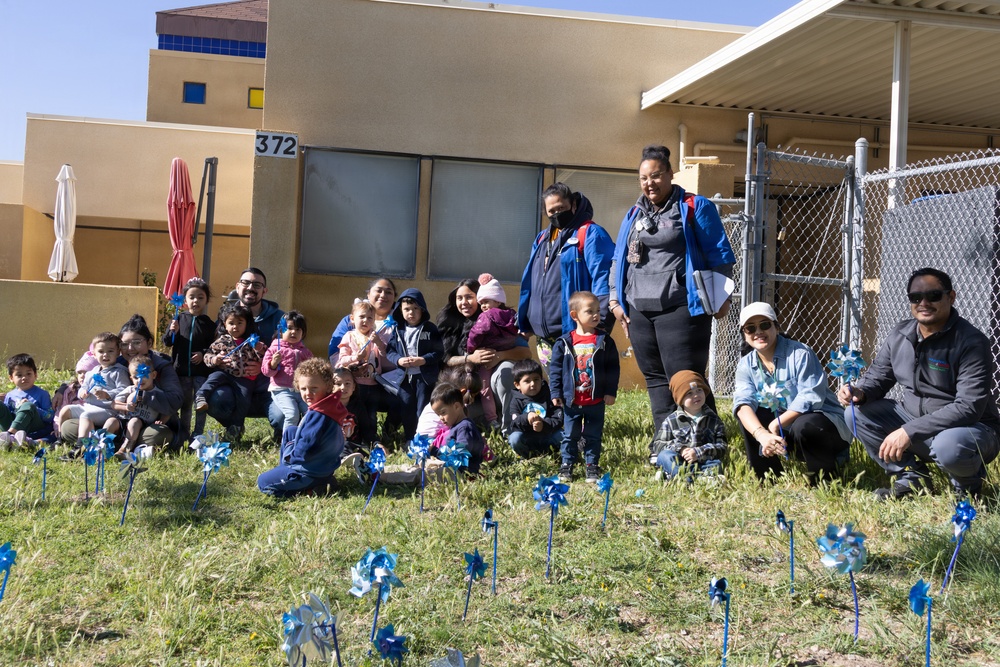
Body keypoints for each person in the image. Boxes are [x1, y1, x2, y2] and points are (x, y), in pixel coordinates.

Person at [840, 268, 1000, 500]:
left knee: (950, 444)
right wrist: (859, 392)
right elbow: (878, 378)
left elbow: (969, 407)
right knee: (854, 413)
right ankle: (913, 479)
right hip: (915, 420)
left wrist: (908, 430)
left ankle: (967, 491)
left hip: (970, 430)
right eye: (916, 297)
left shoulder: (971, 342)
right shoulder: (900, 334)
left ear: (951, 297)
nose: (923, 303)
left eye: (933, 296)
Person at [609, 144, 735, 435]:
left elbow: (720, 254)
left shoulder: (694, 206)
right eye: (643, 178)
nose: (649, 183)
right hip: (639, 309)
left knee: (687, 379)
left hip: (681, 307)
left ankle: (706, 440)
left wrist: (720, 297)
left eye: (655, 176)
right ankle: (665, 440)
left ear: (669, 175)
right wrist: (616, 301)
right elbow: (618, 258)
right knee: (654, 378)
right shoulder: (633, 213)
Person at [733, 302, 851, 483]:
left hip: (824, 425)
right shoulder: (745, 364)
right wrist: (762, 434)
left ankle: (824, 481)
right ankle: (769, 479)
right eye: (750, 328)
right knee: (750, 417)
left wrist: (775, 424)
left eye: (764, 325)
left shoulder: (800, 353)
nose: (758, 332)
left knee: (806, 423)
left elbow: (811, 397)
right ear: (745, 334)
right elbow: (742, 403)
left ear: (776, 327)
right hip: (784, 428)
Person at [518, 182, 615, 364]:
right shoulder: (542, 239)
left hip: (578, 335)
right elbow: (530, 282)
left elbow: (604, 278)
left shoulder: (589, 233)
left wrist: (599, 324)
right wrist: (525, 320)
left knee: (580, 390)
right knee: (557, 389)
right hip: (544, 338)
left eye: (561, 208)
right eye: (551, 211)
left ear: (573, 205)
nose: (556, 214)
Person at [60, 315, 184, 451]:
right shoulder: (116, 362)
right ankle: (108, 442)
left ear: (149, 343)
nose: (130, 348)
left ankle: (115, 443)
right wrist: (61, 390)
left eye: (137, 342)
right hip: (115, 418)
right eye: (124, 344)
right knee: (68, 427)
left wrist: (144, 396)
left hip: (147, 422)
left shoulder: (161, 366)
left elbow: (176, 400)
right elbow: (88, 377)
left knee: (158, 435)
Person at [436, 279, 531, 433]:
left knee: (505, 372)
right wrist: (470, 358)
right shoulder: (451, 324)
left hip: (492, 381)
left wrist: (499, 355)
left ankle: (508, 426)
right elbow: (445, 359)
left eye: (469, 297)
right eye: (459, 298)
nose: (464, 302)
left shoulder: (498, 319)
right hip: (466, 386)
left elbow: (526, 352)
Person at [549, 291, 620, 483]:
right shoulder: (564, 342)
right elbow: (555, 369)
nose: (596, 315)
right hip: (572, 400)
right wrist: (556, 392)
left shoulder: (605, 341)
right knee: (570, 435)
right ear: (575, 315)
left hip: (596, 400)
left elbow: (613, 369)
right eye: (590, 311)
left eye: (598, 310)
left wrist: (610, 392)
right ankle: (567, 465)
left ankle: (592, 466)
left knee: (593, 435)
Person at [205, 268, 285, 439]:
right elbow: (213, 349)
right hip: (235, 386)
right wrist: (218, 361)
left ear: (265, 290)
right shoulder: (226, 316)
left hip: (268, 388)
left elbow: (290, 354)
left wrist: (265, 366)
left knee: (282, 415)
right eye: (246, 283)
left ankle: (282, 433)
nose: (250, 288)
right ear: (237, 286)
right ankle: (234, 425)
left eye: (257, 284)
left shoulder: (280, 319)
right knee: (216, 401)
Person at [257, 358, 352, 497]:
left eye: (314, 388)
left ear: (327, 387)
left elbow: (307, 446)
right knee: (291, 431)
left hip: (309, 470)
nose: (308, 393)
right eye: (303, 389)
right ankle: (321, 480)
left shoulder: (319, 414)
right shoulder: (329, 405)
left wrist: (291, 458)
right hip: (324, 466)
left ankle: (306, 488)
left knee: (263, 482)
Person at [195, 302, 268, 442]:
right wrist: (215, 360)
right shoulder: (222, 341)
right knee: (213, 378)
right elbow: (207, 356)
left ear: (247, 323)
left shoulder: (251, 341)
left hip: (245, 378)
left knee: (244, 400)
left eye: (240, 323)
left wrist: (259, 348)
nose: (235, 327)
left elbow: (266, 357)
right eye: (231, 323)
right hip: (226, 373)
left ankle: (236, 426)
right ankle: (200, 396)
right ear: (225, 324)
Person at [163, 277, 216, 445]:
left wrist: (202, 353)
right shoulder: (178, 320)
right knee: (185, 404)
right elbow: (167, 342)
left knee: (200, 404)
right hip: (181, 371)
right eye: (192, 297)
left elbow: (213, 347)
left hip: (201, 373)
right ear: (184, 300)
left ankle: (198, 433)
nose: (196, 301)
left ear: (206, 300)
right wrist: (172, 332)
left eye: (200, 297)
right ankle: (184, 432)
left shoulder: (208, 323)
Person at [385, 288, 443, 440]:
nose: (411, 313)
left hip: (424, 378)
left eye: (415, 309)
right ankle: (410, 437)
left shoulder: (430, 329)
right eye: (407, 309)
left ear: (422, 309)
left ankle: (423, 437)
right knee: (406, 408)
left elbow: (439, 352)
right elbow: (390, 351)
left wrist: (423, 360)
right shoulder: (398, 330)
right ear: (401, 311)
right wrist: (398, 360)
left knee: (422, 409)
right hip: (404, 378)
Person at [651, 371, 726, 481]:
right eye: (689, 393)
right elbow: (658, 444)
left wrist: (698, 452)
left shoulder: (714, 420)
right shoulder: (671, 421)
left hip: (702, 461)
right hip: (678, 460)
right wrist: (680, 449)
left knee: (716, 464)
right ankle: (687, 476)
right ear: (680, 398)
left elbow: (722, 446)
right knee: (664, 456)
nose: (696, 395)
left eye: (699, 390)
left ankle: (674, 476)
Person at [336, 299, 394, 443]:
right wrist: (356, 357)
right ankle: (354, 437)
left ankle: (371, 440)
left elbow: (385, 355)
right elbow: (341, 360)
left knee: (371, 414)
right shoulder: (349, 336)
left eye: (369, 318)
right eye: (361, 317)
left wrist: (379, 343)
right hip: (356, 384)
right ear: (352, 319)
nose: (365, 321)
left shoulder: (375, 337)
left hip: (373, 383)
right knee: (357, 412)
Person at [468, 274, 519, 430]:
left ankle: (492, 419)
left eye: (486, 301)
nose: (483, 306)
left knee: (485, 388)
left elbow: (476, 333)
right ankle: (509, 420)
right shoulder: (512, 316)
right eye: (481, 303)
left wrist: (470, 349)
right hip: (505, 355)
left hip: (486, 357)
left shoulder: (486, 316)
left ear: (497, 301)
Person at [68, 333, 131, 442]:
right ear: (94, 354)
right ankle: (59, 438)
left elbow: (124, 389)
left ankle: (82, 446)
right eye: (101, 352)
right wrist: (82, 393)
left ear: (118, 352)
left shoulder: (119, 371)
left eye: (110, 351)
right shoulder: (92, 372)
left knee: (86, 415)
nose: (105, 355)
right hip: (89, 405)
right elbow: (83, 387)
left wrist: (108, 394)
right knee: (66, 410)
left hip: (108, 410)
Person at [262, 310, 314, 437]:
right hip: (281, 390)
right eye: (289, 328)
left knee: (312, 413)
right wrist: (273, 363)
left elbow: (313, 370)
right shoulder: (274, 349)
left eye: (298, 329)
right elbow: (266, 371)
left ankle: (305, 438)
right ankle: (288, 442)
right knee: (292, 414)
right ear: (281, 331)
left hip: (301, 391)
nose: (293, 332)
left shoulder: (305, 352)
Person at [327, 277, 398, 360]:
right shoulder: (349, 321)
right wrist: (349, 368)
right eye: (378, 290)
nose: (383, 295)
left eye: (388, 292)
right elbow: (334, 352)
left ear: (394, 297)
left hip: (391, 372)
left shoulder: (399, 323)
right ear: (368, 294)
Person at [106, 356, 163, 456]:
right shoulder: (130, 389)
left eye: (144, 375)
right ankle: (103, 448)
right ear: (131, 378)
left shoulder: (158, 393)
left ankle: (125, 450)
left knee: (134, 422)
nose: (140, 379)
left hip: (143, 425)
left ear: (153, 375)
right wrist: (125, 406)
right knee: (111, 421)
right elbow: (114, 404)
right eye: (136, 377)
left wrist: (162, 421)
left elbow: (167, 409)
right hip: (124, 420)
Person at [507, 359, 563, 460]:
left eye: (536, 379)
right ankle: (526, 456)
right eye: (527, 381)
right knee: (514, 438)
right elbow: (514, 424)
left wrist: (544, 424)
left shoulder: (549, 395)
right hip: (528, 439)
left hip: (548, 435)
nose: (532, 384)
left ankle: (558, 455)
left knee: (563, 436)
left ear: (542, 379)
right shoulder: (516, 400)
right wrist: (526, 417)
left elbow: (558, 418)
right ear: (517, 385)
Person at [429, 382, 487, 476]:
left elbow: (459, 454)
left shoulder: (465, 428)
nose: (440, 418)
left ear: (456, 406)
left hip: (463, 473)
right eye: (438, 414)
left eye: (443, 412)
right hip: (454, 470)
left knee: (424, 474)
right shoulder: (458, 426)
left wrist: (435, 451)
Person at [0, 353, 54, 445]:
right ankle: (10, 437)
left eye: (28, 374)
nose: (24, 378)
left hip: (33, 428)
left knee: (27, 405)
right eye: (19, 375)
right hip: (12, 425)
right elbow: (7, 414)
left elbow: (50, 417)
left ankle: (10, 436)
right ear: (11, 378)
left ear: (35, 375)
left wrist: (33, 409)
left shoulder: (42, 394)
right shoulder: (10, 395)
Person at [52, 352, 98, 434]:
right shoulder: (70, 391)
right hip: (73, 422)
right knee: (67, 426)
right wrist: (57, 428)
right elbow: (60, 412)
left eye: (87, 372)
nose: (82, 376)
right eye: (80, 372)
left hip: (93, 423)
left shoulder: (98, 390)